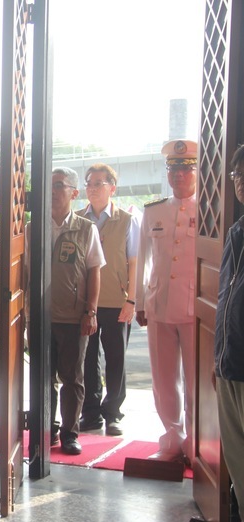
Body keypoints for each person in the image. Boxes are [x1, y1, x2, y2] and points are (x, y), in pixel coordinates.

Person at [28, 167, 104, 455]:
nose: (53, 191)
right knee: (42, 378)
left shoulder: (86, 229)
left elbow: (94, 271)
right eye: (49, 186)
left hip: (73, 318)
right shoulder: (33, 229)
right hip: (40, 318)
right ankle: (47, 429)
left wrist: (91, 311)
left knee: (72, 379)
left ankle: (71, 434)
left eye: (59, 185)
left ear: (74, 192)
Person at [136, 139, 198, 463]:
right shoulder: (154, 211)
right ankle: (172, 437)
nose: (179, 176)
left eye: (186, 169)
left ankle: (196, 442)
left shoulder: (208, 211)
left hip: (194, 309)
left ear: (197, 172)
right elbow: (144, 260)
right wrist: (139, 303)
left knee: (195, 381)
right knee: (163, 379)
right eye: (173, 170)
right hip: (159, 304)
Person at [77, 163, 139, 437]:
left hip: (117, 301)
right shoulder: (78, 219)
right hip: (85, 303)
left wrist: (132, 301)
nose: (92, 188)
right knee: (87, 360)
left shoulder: (127, 220)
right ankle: (90, 413)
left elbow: (135, 263)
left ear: (112, 188)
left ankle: (112, 413)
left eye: (99, 183)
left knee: (116, 359)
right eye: (89, 183)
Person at [215, 144, 244, 522]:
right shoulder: (236, 232)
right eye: (239, 175)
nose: (241, 181)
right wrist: (218, 358)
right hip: (230, 366)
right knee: (238, 466)